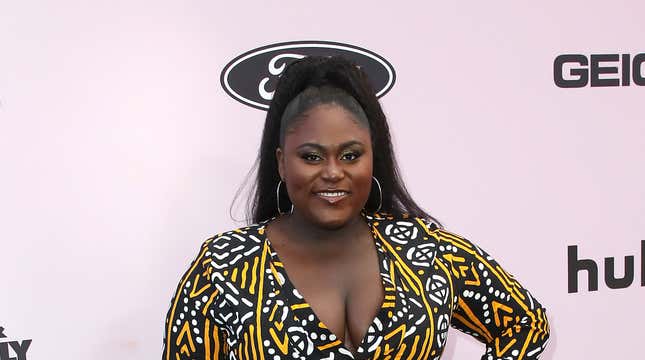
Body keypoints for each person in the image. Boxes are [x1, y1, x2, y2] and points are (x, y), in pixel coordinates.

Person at [162, 56, 550, 360]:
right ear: (281, 162)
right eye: (312, 157)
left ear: (371, 158)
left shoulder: (425, 249)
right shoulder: (224, 266)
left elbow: (525, 322)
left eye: (350, 155)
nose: (333, 173)